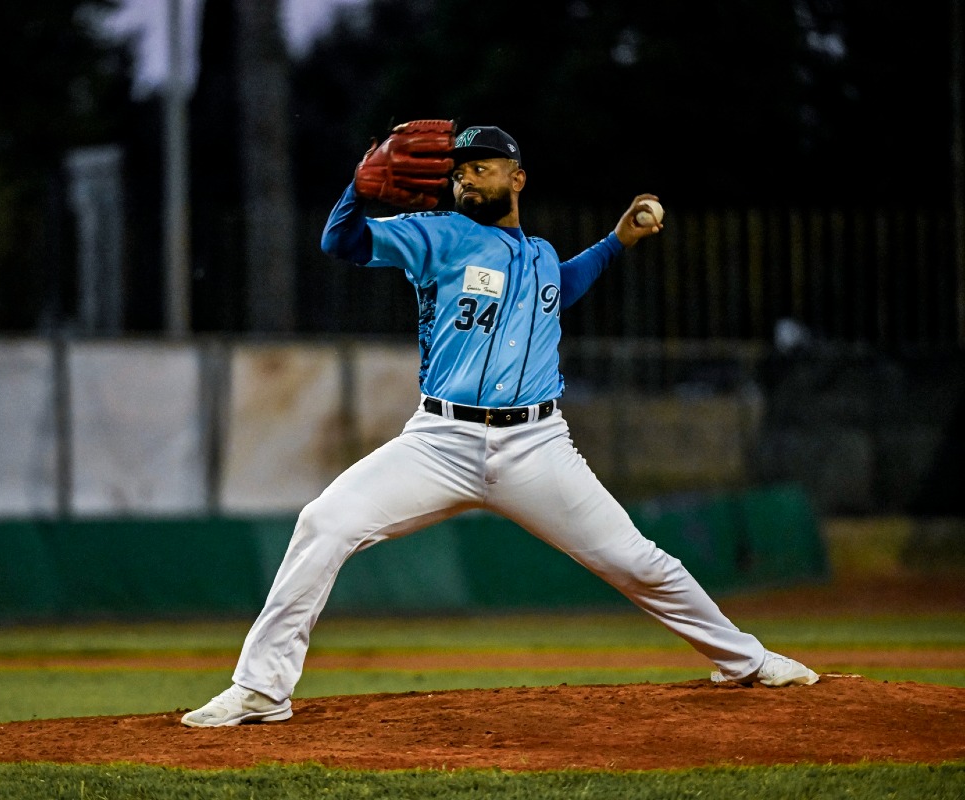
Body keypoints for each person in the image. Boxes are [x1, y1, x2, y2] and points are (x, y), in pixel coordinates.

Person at [181, 124, 818, 727]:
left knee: (638, 562)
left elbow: (558, 290)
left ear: (517, 178)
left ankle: (745, 660)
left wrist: (617, 241)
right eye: (459, 172)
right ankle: (263, 689)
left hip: (537, 447)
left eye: (481, 169)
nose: (466, 180)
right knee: (323, 522)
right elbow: (340, 243)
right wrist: (357, 191)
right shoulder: (437, 235)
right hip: (439, 442)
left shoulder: (539, 254)